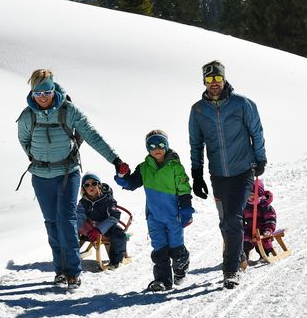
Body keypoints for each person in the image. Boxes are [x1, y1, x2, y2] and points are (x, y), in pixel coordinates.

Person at [17, 69, 129, 292]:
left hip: (68, 173)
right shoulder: (27, 116)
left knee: (67, 220)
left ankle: (73, 273)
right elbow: (24, 140)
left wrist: (115, 160)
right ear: (32, 92)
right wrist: (38, 158)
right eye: (38, 93)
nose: (43, 97)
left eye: (47, 91)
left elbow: (92, 136)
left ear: (53, 88)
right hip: (40, 176)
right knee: (51, 222)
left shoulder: (69, 111)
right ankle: (60, 270)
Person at [188, 60, 266, 289]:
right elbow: (196, 143)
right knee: (225, 221)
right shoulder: (198, 110)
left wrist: (260, 158)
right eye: (209, 79)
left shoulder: (242, 104)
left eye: (217, 78)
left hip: (243, 171)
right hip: (218, 175)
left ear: (224, 79)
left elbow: (256, 132)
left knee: (233, 218)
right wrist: (197, 173)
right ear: (204, 81)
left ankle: (230, 270)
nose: (214, 83)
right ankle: (239, 253)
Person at [115, 129, 194, 291]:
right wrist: (122, 176)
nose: (156, 148)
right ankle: (162, 281)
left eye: (160, 144)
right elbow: (131, 184)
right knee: (160, 250)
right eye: (151, 146)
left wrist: (186, 208)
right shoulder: (144, 168)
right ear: (147, 149)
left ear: (166, 145)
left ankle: (181, 268)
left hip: (174, 216)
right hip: (154, 217)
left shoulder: (175, 167)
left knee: (176, 249)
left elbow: (184, 189)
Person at [77, 172, 127, 269]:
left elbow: (115, 216)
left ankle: (116, 260)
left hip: (107, 226)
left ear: (99, 185)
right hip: (90, 227)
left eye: (94, 183)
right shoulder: (83, 202)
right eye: (87, 185)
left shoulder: (107, 199)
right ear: (83, 189)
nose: (91, 186)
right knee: (71, 227)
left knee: (119, 235)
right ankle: (70, 254)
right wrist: (75, 228)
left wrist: (99, 229)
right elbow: (80, 216)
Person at [243, 179, 277, 261]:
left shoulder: (264, 206)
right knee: (244, 238)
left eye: (253, 195)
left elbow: (271, 218)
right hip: (250, 228)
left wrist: (269, 229)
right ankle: (244, 255)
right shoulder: (245, 206)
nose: (250, 197)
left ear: (259, 194)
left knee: (263, 240)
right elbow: (242, 218)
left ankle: (265, 253)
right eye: (248, 195)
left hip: (263, 228)